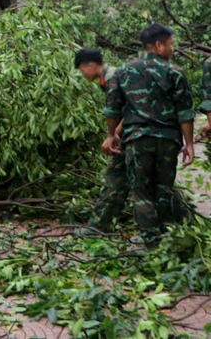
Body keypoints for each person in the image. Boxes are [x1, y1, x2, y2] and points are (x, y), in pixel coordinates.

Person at [74, 48, 191, 236]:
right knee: (145, 181)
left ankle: (102, 227)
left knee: (126, 181)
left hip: (135, 137)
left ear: (90, 65)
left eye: (81, 69)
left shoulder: (114, 77)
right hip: (137, 136)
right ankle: (184, 222)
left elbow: (130, 106)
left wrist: (113, 135)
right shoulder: (109, 78)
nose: (82, 74)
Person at [104, 24, 195, 249]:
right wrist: (190, 144)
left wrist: (111, 135)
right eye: (171, 44)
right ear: (158, 45)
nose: (173, 49)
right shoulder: (175, 72)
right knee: (163, 188)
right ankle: (165, 237)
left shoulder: (123, 71)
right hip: (168, 140)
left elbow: (112, 109)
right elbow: (185, 112)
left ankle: (151, 242)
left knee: (141, 192)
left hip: (137, 140)